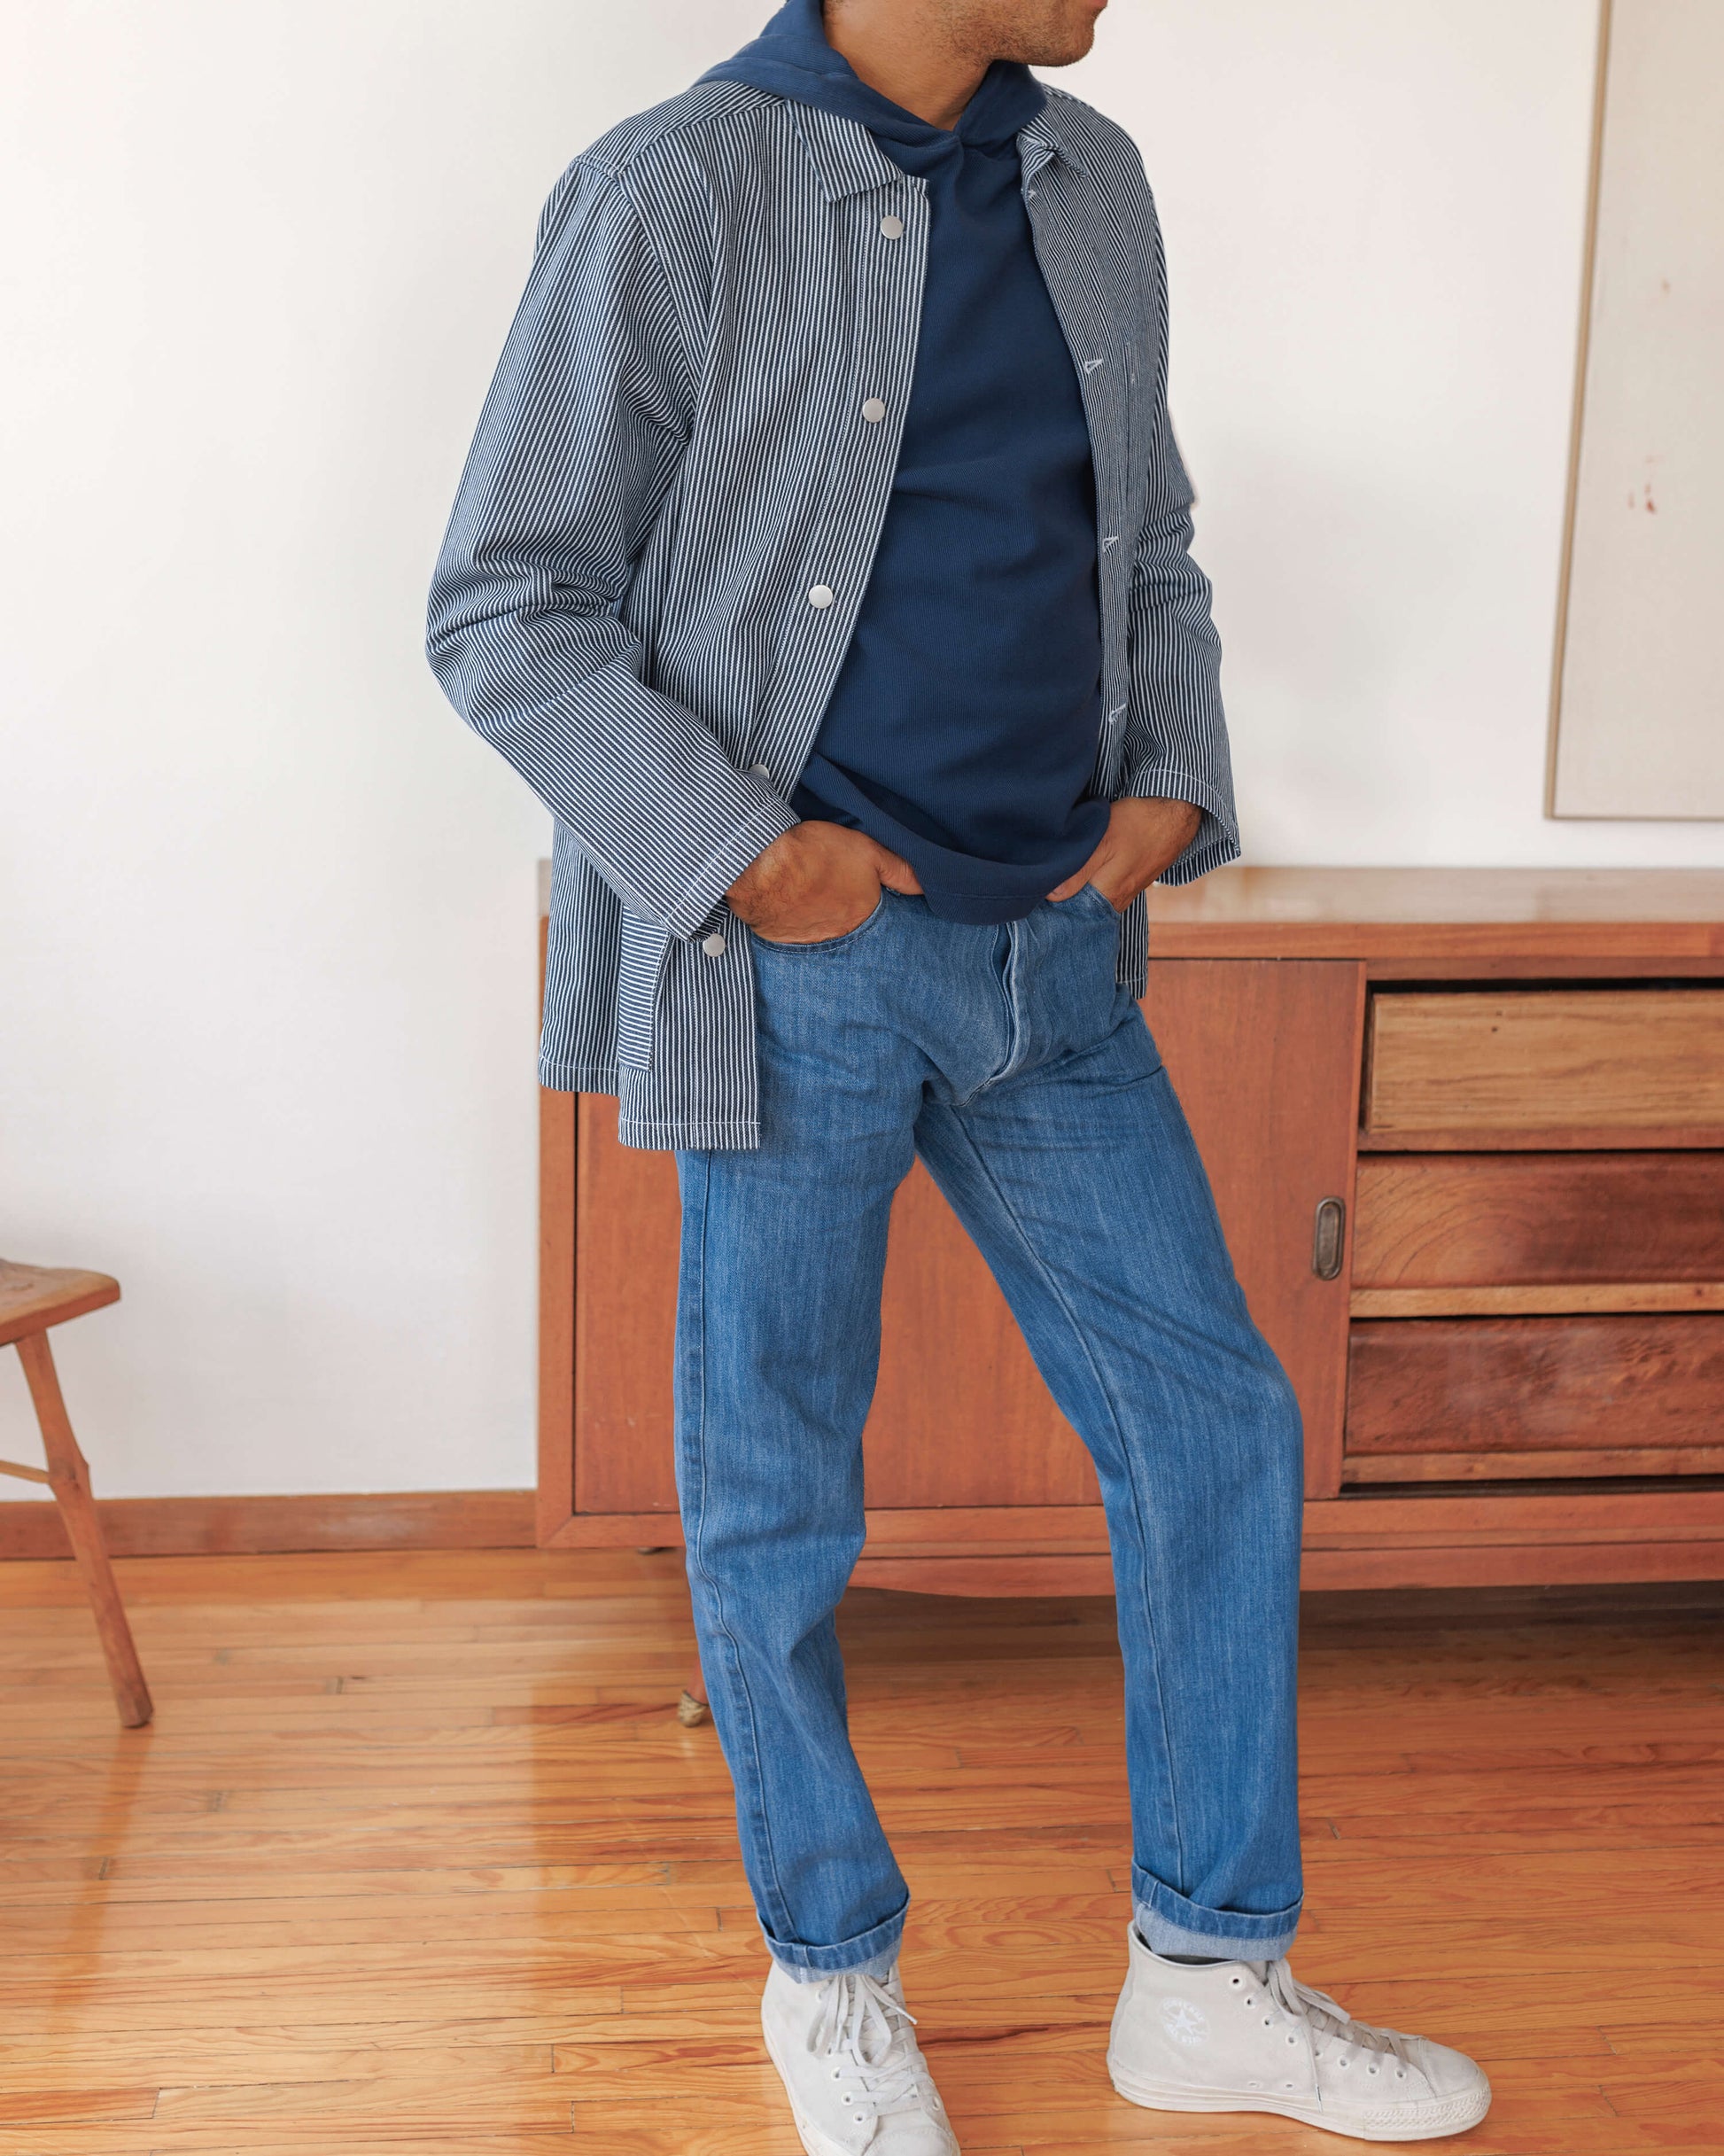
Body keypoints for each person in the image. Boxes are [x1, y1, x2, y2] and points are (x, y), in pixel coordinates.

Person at [427, 1, 1491, 2145]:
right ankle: (827, 1978)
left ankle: (1207, 1976)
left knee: (1214, 1426)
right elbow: (504, 607)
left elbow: (1150, 537)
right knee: (777, 1498)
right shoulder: (675, 190)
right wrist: (752, 856)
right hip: (795, 968)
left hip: (1058, 961)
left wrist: (1174, 771)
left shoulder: (1090, 181)